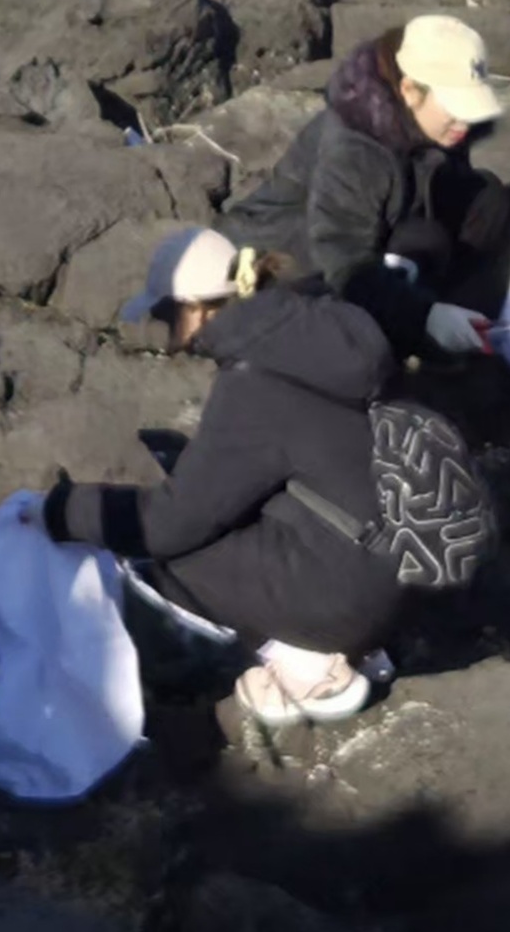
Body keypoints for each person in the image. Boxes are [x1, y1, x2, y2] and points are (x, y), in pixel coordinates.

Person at [45, 228, 405, 730]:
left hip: (345, 593)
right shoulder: (325, 336)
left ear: (196, 307)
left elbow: (173, 524)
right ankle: (345, 640)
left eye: (167, 313)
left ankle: (304, 660)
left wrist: (64, 509)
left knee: (175, 558)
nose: (167, 331)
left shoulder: (258, 380)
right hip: (405, 566)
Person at [221, 14, 510, 349]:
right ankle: (420, 337)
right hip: (291, 251)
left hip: (378, 221)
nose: (464, 123)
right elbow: (344, 261)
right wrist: (423, 316)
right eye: (454, 108)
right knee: (423, 241)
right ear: (410, 90)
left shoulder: (438, 124)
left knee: (492, 201)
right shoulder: (356, 149)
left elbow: (451, 183)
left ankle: (455, 317)